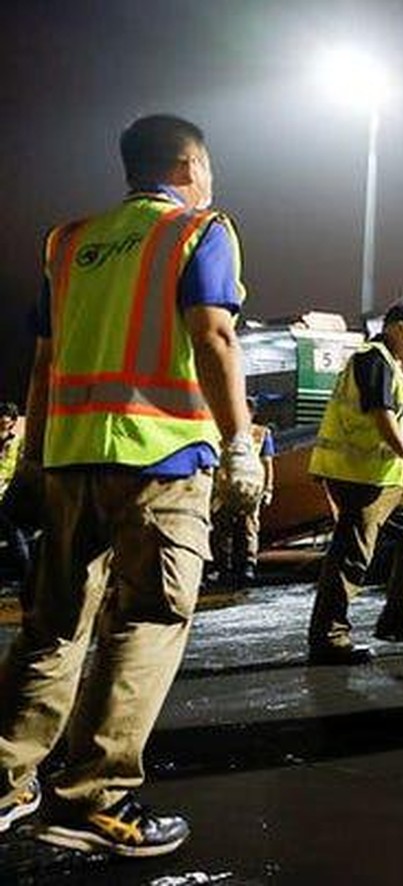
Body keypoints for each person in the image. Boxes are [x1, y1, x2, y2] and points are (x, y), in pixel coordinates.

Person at [0, 114, 263, 857]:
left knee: (52, 624)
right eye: (207, 169)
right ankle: (93, 798)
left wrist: (29, 462)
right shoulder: (199, 229)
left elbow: (44, 363)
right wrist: (240, 442)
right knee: (147, 619)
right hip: (161, 459)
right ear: (187, 168)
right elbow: (213, 332)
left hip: (72, 460)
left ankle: (5, 779)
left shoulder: (69, 240)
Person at [307, 300, 403, 664]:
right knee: (353, 553)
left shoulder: (390, 365)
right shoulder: (372, 358)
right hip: (361, 476)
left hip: (389, 478)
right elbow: (381, 417)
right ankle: (329, 638)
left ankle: (398, 618)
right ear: (398, 326)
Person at [210, 396, 275, 587]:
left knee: (248, 527)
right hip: (224, 488)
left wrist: (268, 489)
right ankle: (224, 568)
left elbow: (267, 462)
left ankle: (247, 566)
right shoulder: (219, 431)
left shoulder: (261, 433)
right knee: (222, 528)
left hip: (251, 488)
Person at [0, 403, 29, 584]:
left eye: (7, 417)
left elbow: (22, 468)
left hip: (7, 495)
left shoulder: (18, 442)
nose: (4, 421)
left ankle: (26, 573)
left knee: (14, 531)